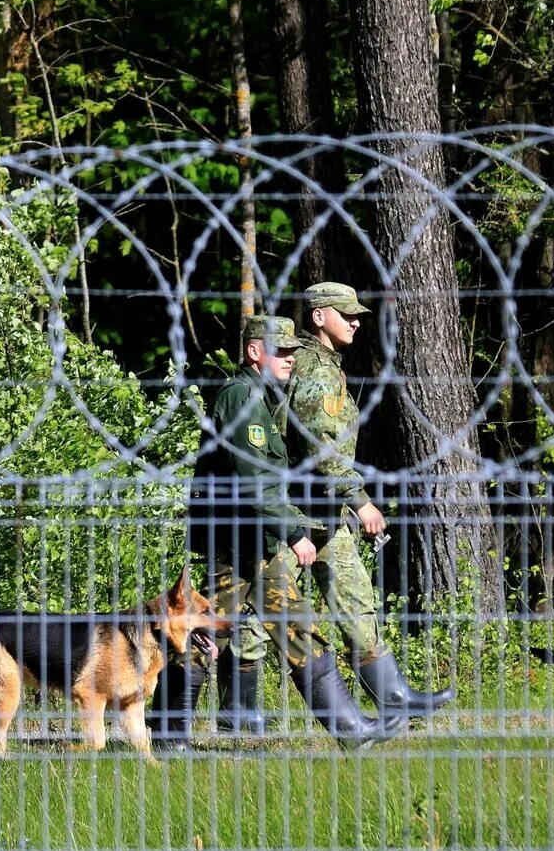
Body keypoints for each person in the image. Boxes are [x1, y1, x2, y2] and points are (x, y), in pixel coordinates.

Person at [159, 314, 406, 750]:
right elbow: (253, 479)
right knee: (206, 633)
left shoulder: (257, 396)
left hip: (253, 545)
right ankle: (165, 734)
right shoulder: (241, 399)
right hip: (235, 544)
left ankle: (351, 731)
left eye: (294, 350)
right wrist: (293, 531)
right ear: (256, 352)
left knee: (294, 629)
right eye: (282, 351)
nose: (291, 358)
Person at [286, 282, 455, 717]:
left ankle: (394, 699)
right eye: (346, 313)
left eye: (357, 313)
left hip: (322, 510)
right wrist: (360, 500)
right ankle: (232, 713)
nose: (356, 321)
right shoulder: (313, 369)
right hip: (293, 513)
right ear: (319, 316)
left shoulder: (326, 364)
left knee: (357, 599)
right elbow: (321, 445)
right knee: (250, 613)